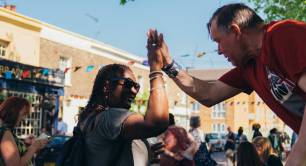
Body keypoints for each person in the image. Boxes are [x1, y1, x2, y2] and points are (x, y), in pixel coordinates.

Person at [146, 3, 306, 165]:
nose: (219, 51)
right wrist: (168, 64)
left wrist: (297, 158)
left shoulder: (283, 34)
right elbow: (209, 94)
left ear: (236, 31)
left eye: (219, 41)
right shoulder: (249, 67)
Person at [77, 62, 168, 165]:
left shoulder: (92, 117)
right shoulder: (112, 117)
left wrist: (146, 154)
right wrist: (156, 71)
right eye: (128, 84)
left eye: (136, 86)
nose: (134, 91)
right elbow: (156, 123)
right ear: (107, 86)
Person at [0, 97, 48, 166]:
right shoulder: (5, 132)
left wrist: (25, 144)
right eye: (23, 114)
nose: (24, 118)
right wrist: (34, 146)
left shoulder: (6, 131)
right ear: (14, 111)